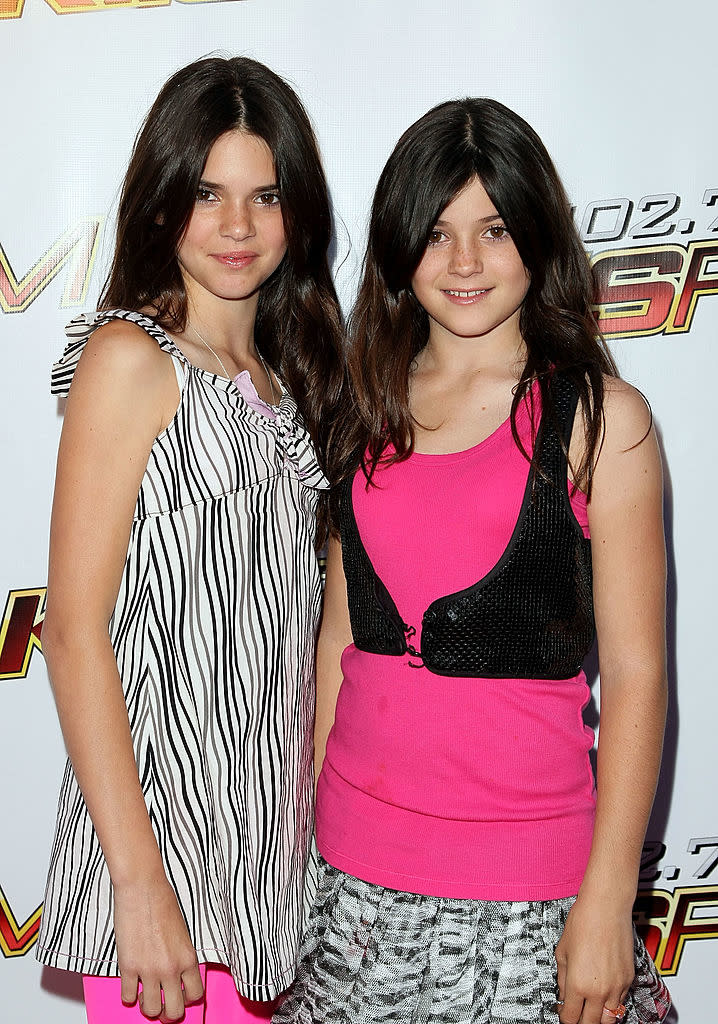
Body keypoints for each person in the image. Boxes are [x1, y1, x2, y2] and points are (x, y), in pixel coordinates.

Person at [274, 99, 671, 1024]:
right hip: (352, 889)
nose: (463, 262)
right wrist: (303, 851)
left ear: (536, 237)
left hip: (532, 901)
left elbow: (643, 678)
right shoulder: (360, 409)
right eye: (440, 232)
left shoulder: (602, 422)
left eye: (493, 230)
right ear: (402, 245)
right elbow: (341, 640)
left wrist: (609, 897)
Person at [36, 55, 343, 1024]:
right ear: (166, 199)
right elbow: (74, 631)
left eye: (264, 196)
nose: (238, 227)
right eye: (208, 193)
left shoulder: (294, 388)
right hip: (164, 893)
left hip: (267, 891)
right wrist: (139, 886)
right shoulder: (132, 360)